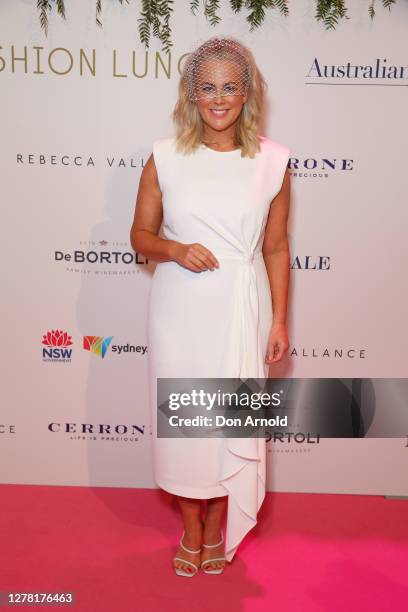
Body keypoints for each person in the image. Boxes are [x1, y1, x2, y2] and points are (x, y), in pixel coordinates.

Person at [130, 36, 291, 577]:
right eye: (207, 88)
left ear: (247, 93)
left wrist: (282, 319)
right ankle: (192, 530)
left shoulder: (273, 162)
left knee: (230, 426)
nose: (219, 99)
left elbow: (275, 247)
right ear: (191, 95)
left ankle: (219, 528)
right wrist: (175, 249)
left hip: (242, 310)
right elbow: (140, 237)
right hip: (180, 313)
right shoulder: (165, 156)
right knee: (187, 430)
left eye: (230, 87)